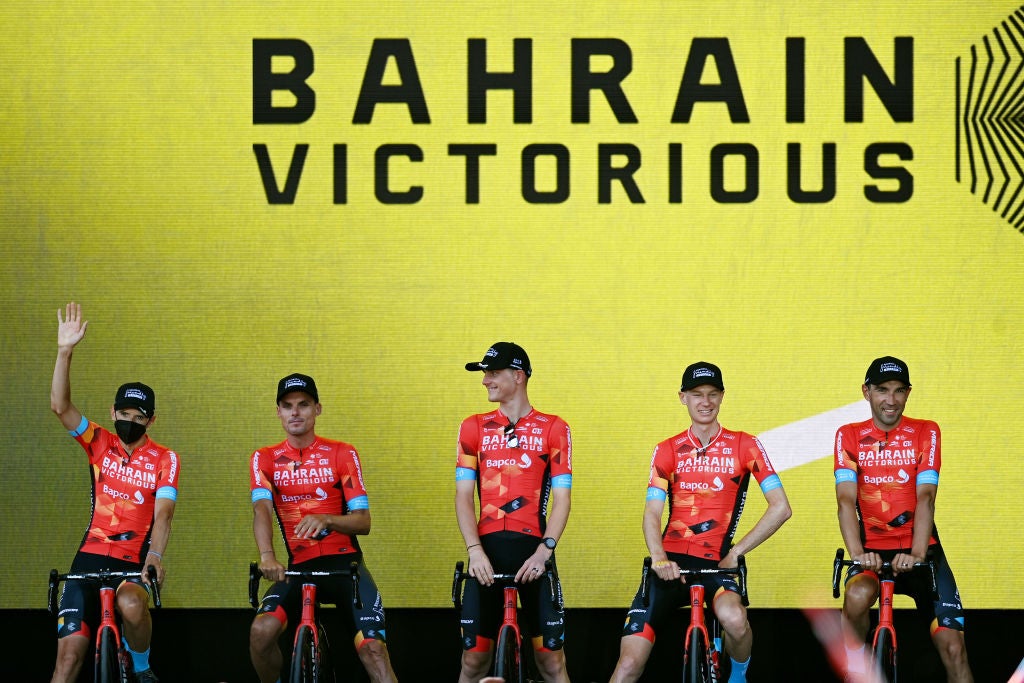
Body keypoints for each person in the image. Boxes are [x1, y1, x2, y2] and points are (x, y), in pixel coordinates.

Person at [610, 361, 792, 683]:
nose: (705, 402)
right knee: (627, 666)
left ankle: (737, 677)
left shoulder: (745, 444)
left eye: (712, 394)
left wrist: (736, 554)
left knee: (734, 619)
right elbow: (652, 513)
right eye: (696, 394)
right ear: (683, 398)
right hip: (669, 566)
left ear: (722, 396)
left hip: (718, 567)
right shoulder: (666, 449)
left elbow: (780, 508)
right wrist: (659, 558)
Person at [49, 302, 178, 683]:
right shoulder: (99, 442)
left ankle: (141, 668)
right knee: (67, 661)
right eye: (125, 414)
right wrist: (64, 351)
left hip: (131, 561)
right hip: (88, 558)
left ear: (151, 420)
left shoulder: (165, 458)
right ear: (113, 412)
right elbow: (60, 406)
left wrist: (154, 556)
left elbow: (164, 512)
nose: (131, 422)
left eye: (140, 417)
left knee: (132, 606)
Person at [249, 373, 398, 683]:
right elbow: (261, 508)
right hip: (298, 567)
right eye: (287, 406)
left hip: (345, 566)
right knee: (261, 632)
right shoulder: (264, 458)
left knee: (374, 650)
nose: (295, 412)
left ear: (317, 409)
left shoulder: (342, 452)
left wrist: (328, 519)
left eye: (304, 404)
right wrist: (267, 556)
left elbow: (363, 521)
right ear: (278, 411)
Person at [834, 357, 972, 682]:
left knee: (954, 649)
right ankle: (856, 666)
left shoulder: (926, 431)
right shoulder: (849, 435)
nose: (891, 400)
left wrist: (918, 555)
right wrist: (856, 554)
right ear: (866, 391)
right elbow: (844, 499)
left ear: (908, 393)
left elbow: (926, 497)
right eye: (882, 390)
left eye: (898, 391)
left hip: (921, 552)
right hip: (870, 552)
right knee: (855, 596)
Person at [456, 342, 573, 683]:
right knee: (473, 661)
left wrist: (544, 551)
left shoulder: (554, 427)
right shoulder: (472, 427)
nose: (485, 381)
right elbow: (463, 497)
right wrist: (474, 551)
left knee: (551, 663)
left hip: (533, 551)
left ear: (518, 376)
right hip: (486, 553)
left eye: (492, 373)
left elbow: (562, 499)